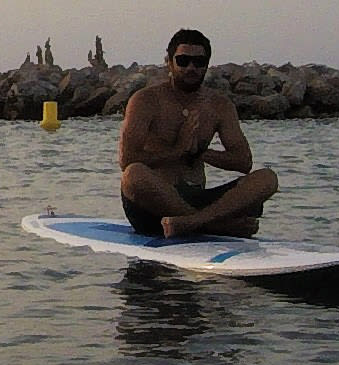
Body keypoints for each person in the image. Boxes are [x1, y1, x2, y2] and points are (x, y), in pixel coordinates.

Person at [117, 27, 277, 238]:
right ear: (169, 62)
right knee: (133, 176)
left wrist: (200, 152)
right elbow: (127, 160)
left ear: (207, 65)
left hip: (197, 201)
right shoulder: (147, 101)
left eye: (198, 62)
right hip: (154, 205)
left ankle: (193, 222)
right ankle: (216, 226)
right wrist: (178, 150)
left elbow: (243, 162)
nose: (191, 68)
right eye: (183, 61)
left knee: (267, 178)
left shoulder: (218, 105)